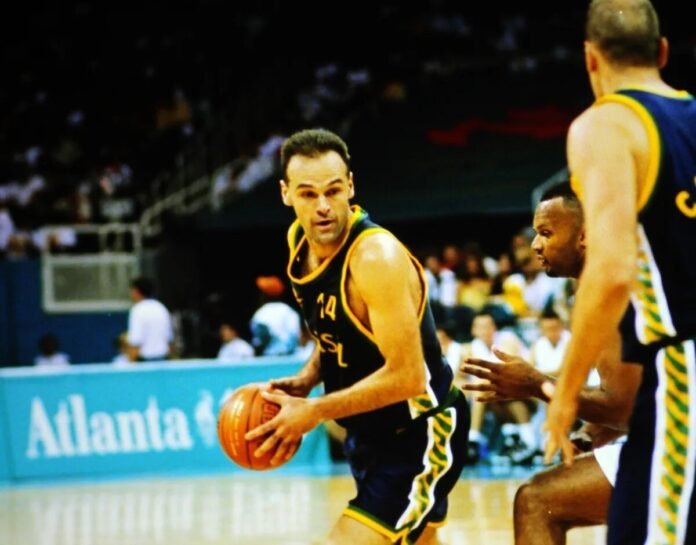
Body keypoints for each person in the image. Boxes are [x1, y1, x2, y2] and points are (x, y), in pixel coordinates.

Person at [244, 128, 470, 545]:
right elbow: (337, 328)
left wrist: (314, 410)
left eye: (333, 191)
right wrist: (310, 375)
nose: (323, 206)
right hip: (370, 434)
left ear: (350, 185)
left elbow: (408, 377)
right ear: (286, 194)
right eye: (308, 194)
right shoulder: (299, 241)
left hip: (420, 431)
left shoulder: (375, 258)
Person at [542, 4, 696, 543]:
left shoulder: (605, 124)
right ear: (662, 52)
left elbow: (610, 271)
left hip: (683, 370)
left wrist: (564, 392)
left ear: (591, 59)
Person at [462, 181, 642, 544]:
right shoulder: (599, 279)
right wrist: (590, 434)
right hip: (671, 423)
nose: (534, 245)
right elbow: (637, 390)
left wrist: (535, 383)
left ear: (584, 235)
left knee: (536, 500)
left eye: (546, 233)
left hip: (680, 436)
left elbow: (624, 408)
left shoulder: (607, 287)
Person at [249, 275, 302, 356]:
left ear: (264, 295)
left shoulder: (261, 314)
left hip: (270, 359)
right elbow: (297, 337)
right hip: (292, 358)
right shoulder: (290, 312)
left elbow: (259, 343)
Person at [126, 276, 174, 362]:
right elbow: (169, 340)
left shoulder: (138, 310)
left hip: (145, 361)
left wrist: (131, 364)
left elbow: (136, 341)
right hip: (163, 359)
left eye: (132, 290)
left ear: (136, 291)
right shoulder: (161, 308)